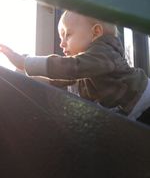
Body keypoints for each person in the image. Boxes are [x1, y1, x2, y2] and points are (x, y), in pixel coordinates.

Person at [0, 10, 149, 121]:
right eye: (61, 37)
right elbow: (59, 79)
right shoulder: (89, 66)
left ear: (95, 32)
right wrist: (25, 73)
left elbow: (71, 68)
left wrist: (25, 62)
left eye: (68, 34)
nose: (62, 43)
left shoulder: (103, 53)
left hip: (143, 98)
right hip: (134, 106)